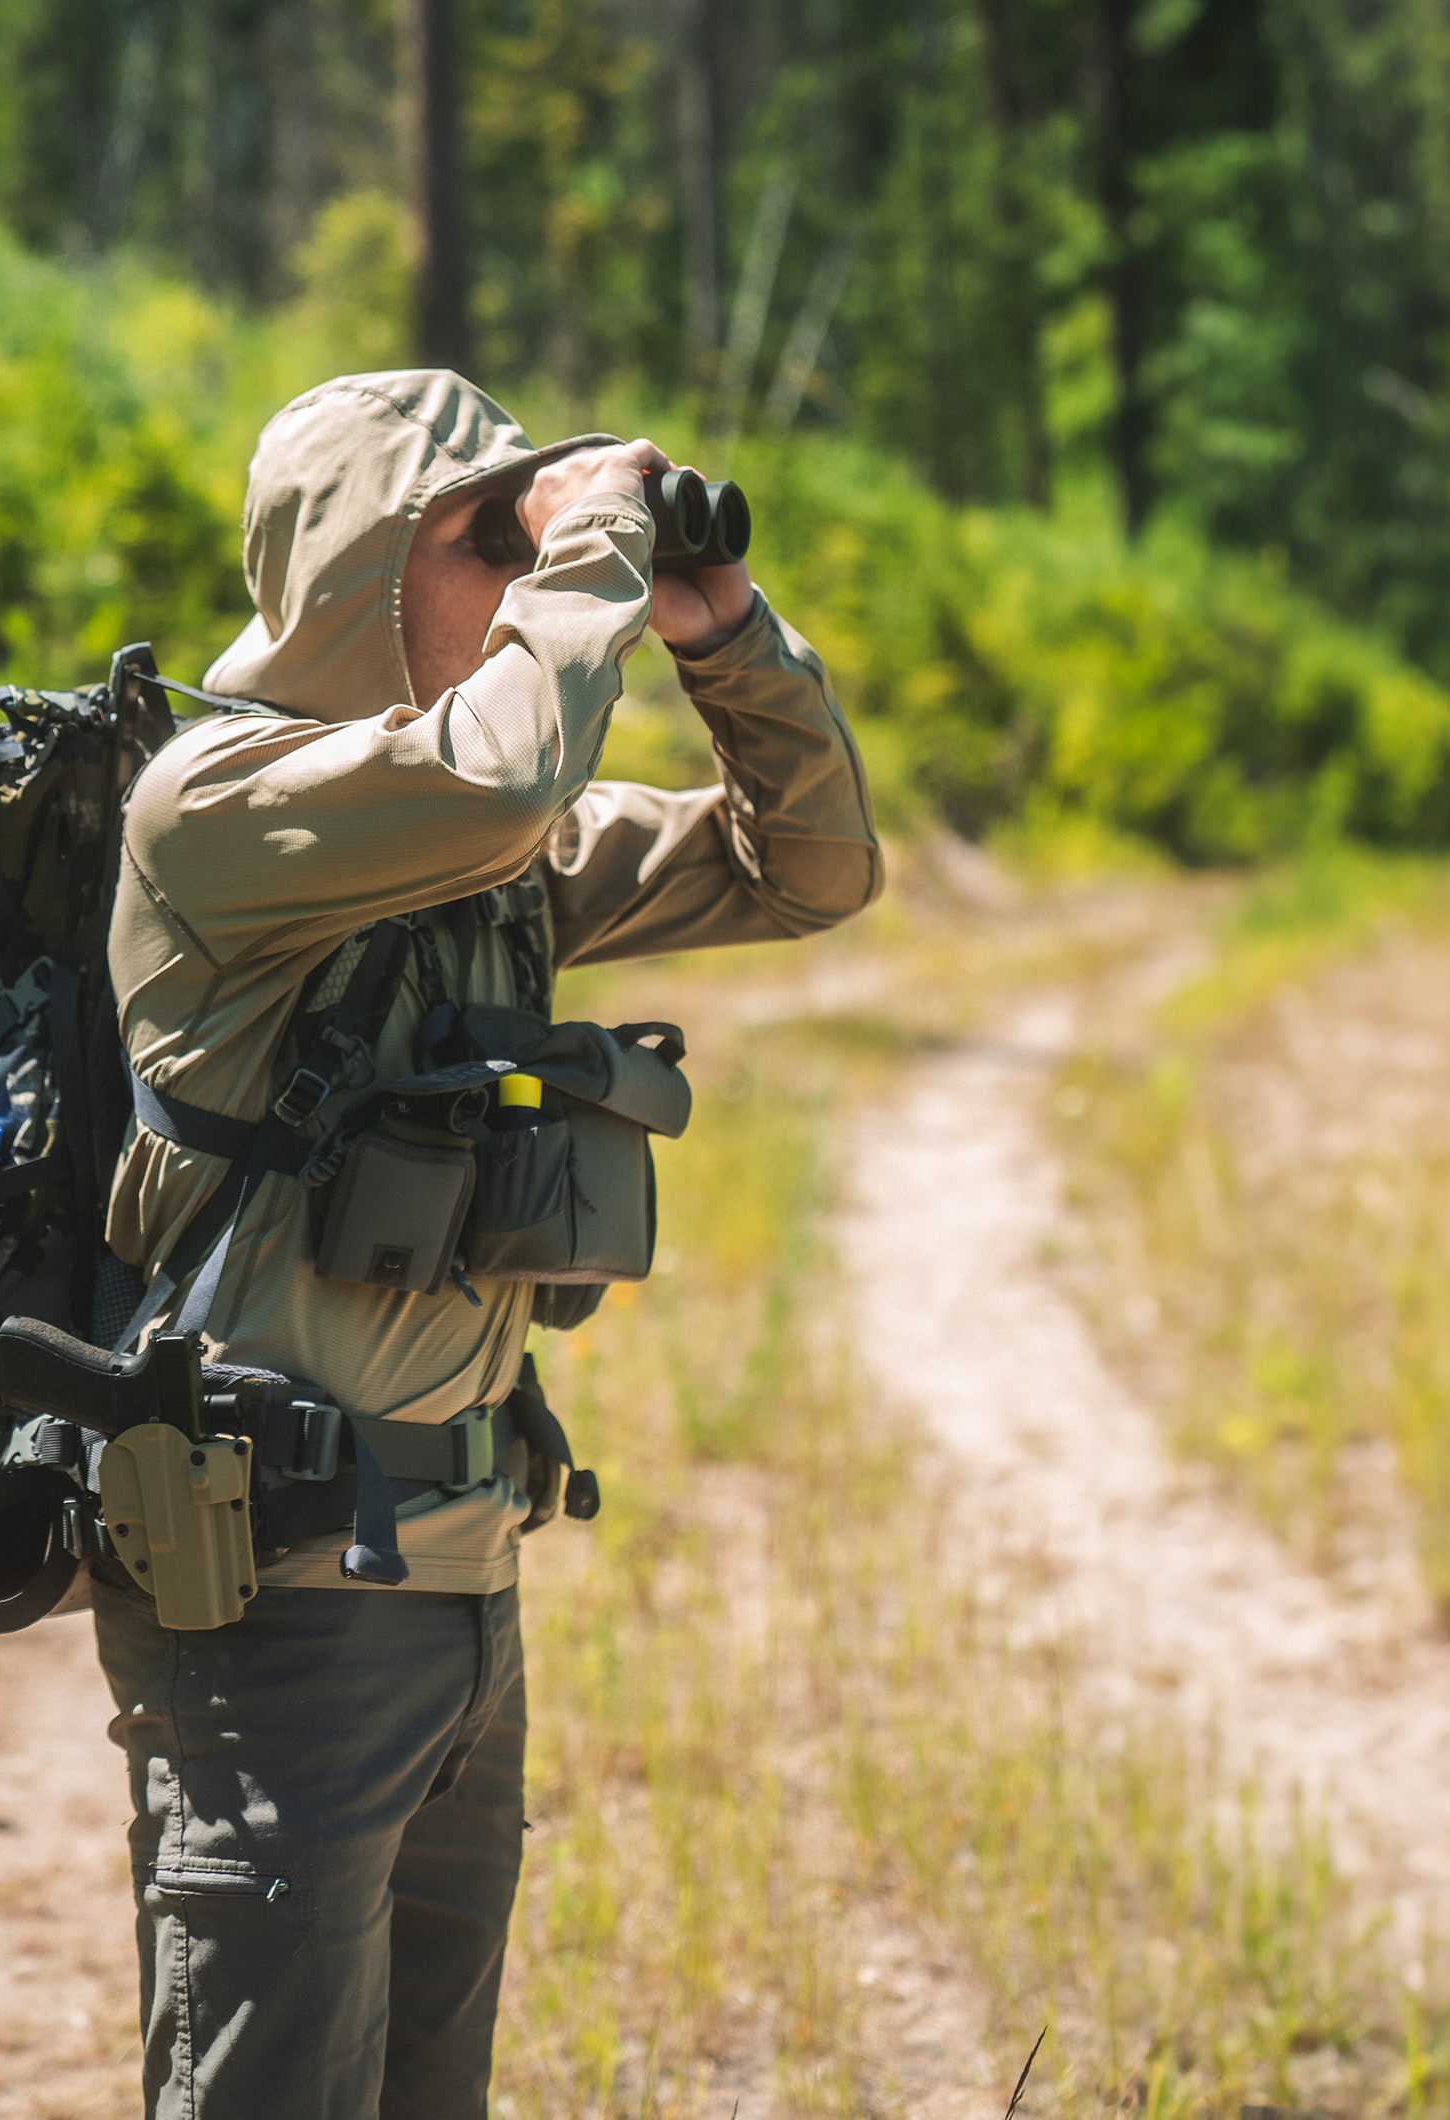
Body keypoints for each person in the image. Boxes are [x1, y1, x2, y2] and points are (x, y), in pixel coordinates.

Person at [96, 369, 883, 2119]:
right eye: (488, 540)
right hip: (275, 1595)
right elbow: (506, 774)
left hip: (459, 1575)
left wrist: (723, 633)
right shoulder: (222, 809)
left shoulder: (477, 842)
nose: (532, 572)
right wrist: (591, 537)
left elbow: (808, 869)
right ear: (359, 573)